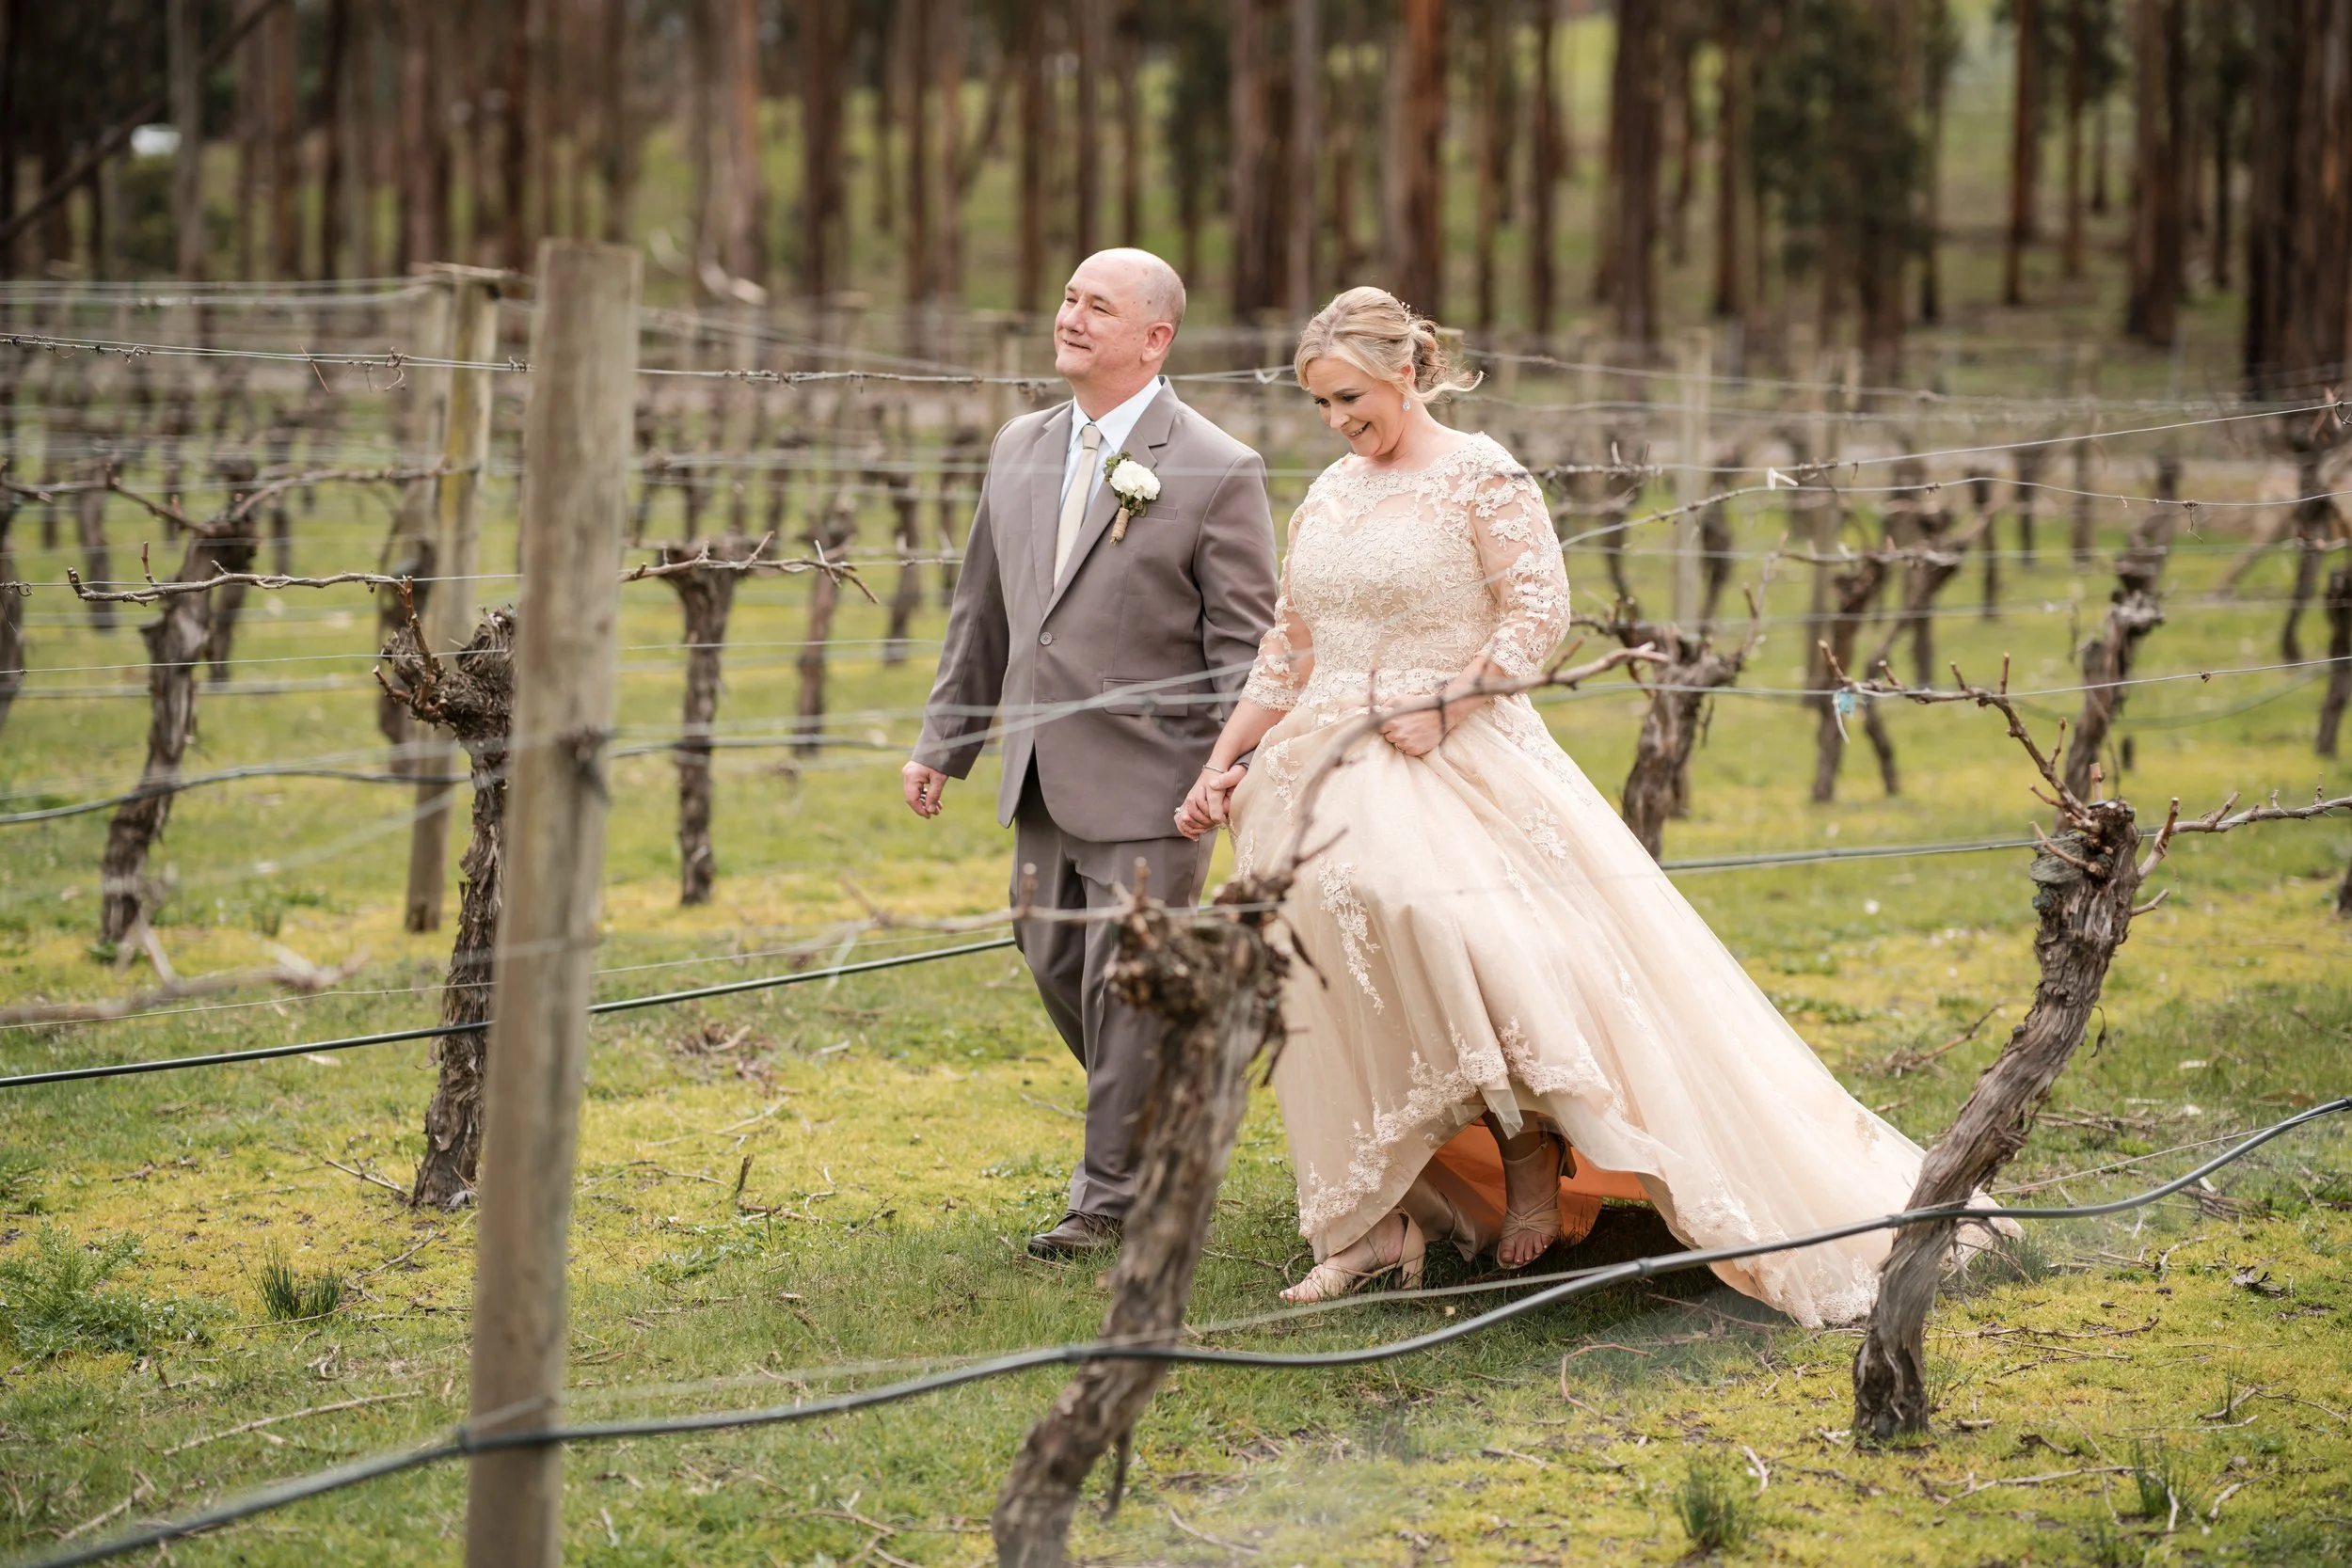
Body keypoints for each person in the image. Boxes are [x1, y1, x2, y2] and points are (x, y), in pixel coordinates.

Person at [1175, 287, 1946, 1324]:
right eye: (1319, 405)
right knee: (1311, 954)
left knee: (1444, 923)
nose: (1336, 422)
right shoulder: (1329, 491)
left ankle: (1531, 1144)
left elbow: (1541, 612)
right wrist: (1221, 761)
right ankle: (1371, 1214)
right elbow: (1289, 648)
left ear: (1406, 371)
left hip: (1452, 749)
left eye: (1349, 397)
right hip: (1313, 767)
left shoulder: (1482, 475)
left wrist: (1443, 703)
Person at [905, 249, 1279, 1259]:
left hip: (1158, 783)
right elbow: (980, 610)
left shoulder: (1213, 466)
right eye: (1068, 296)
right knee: (1052, 955)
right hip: (1037, 772)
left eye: (1096, 306)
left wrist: (1223, 769)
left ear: (1154, 338)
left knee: (1128, 982)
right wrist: (947, 738)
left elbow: (1245, 648)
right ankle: (1166, 1108)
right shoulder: (1018, 447)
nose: (1069, 316)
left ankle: (1109, 1193)